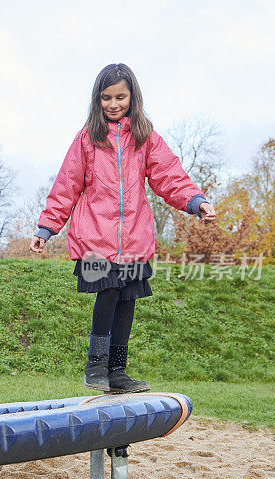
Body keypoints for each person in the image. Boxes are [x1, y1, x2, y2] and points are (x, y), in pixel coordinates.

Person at [30, 63, 216, 394]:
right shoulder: (88, 138)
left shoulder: (145, 137)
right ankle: (96, 366)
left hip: (134, 237)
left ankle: (117, 371)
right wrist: (46, 228)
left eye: (120, 97)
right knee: (110, 289)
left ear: (132, 96)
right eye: (106, 98)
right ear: (96, 99)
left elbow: (168, 175)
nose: (113, 104)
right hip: (93, 237)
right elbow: (66, 185)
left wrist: (195, 201)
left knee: (127, 297)